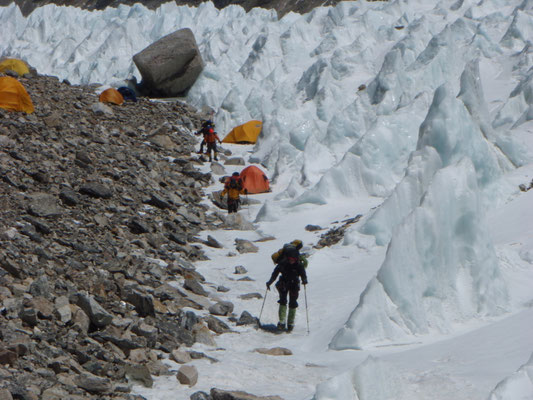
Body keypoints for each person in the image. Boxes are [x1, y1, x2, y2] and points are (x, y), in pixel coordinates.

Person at [266, 244, 308, 332]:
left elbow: (303, 274)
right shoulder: (286, 263)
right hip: (287, 284)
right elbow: (275, 274)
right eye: (290, 259)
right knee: (283, 301)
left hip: (290, 284)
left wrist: (304, 280)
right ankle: (284, 322)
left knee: (292, 302)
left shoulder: (292, 264)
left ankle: (289, 323)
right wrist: (269, 282)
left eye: (293, 259)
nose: (291, 261)